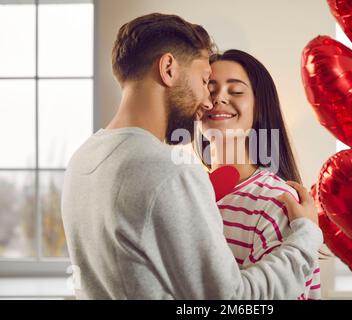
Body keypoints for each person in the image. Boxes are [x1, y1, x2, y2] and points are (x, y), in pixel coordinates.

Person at [61, 13, 322, 299]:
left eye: (234, 90)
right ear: (169, 69)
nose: (210, 100)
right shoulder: (174, 174)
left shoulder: (80, 162)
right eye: (205, 81)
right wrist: (306, 236)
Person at [195, 49, 321, 300]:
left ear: (259, 106)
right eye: (210, 88)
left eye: (236, 91)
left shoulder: (278, 201)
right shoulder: (191, 191)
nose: (218, 98)